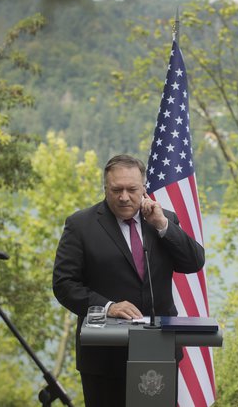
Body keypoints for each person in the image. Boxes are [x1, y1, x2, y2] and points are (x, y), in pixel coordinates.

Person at [52, 154, 205, 407]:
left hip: (159, 353)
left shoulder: (163, 219)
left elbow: (194, 262)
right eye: (116, 190)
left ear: (143, 189)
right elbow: (64, 284)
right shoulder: (80, 225)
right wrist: (108, 306)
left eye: (132, 189)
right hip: (104, 359)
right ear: (105, 189)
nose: (124, 197)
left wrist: (162, 224)